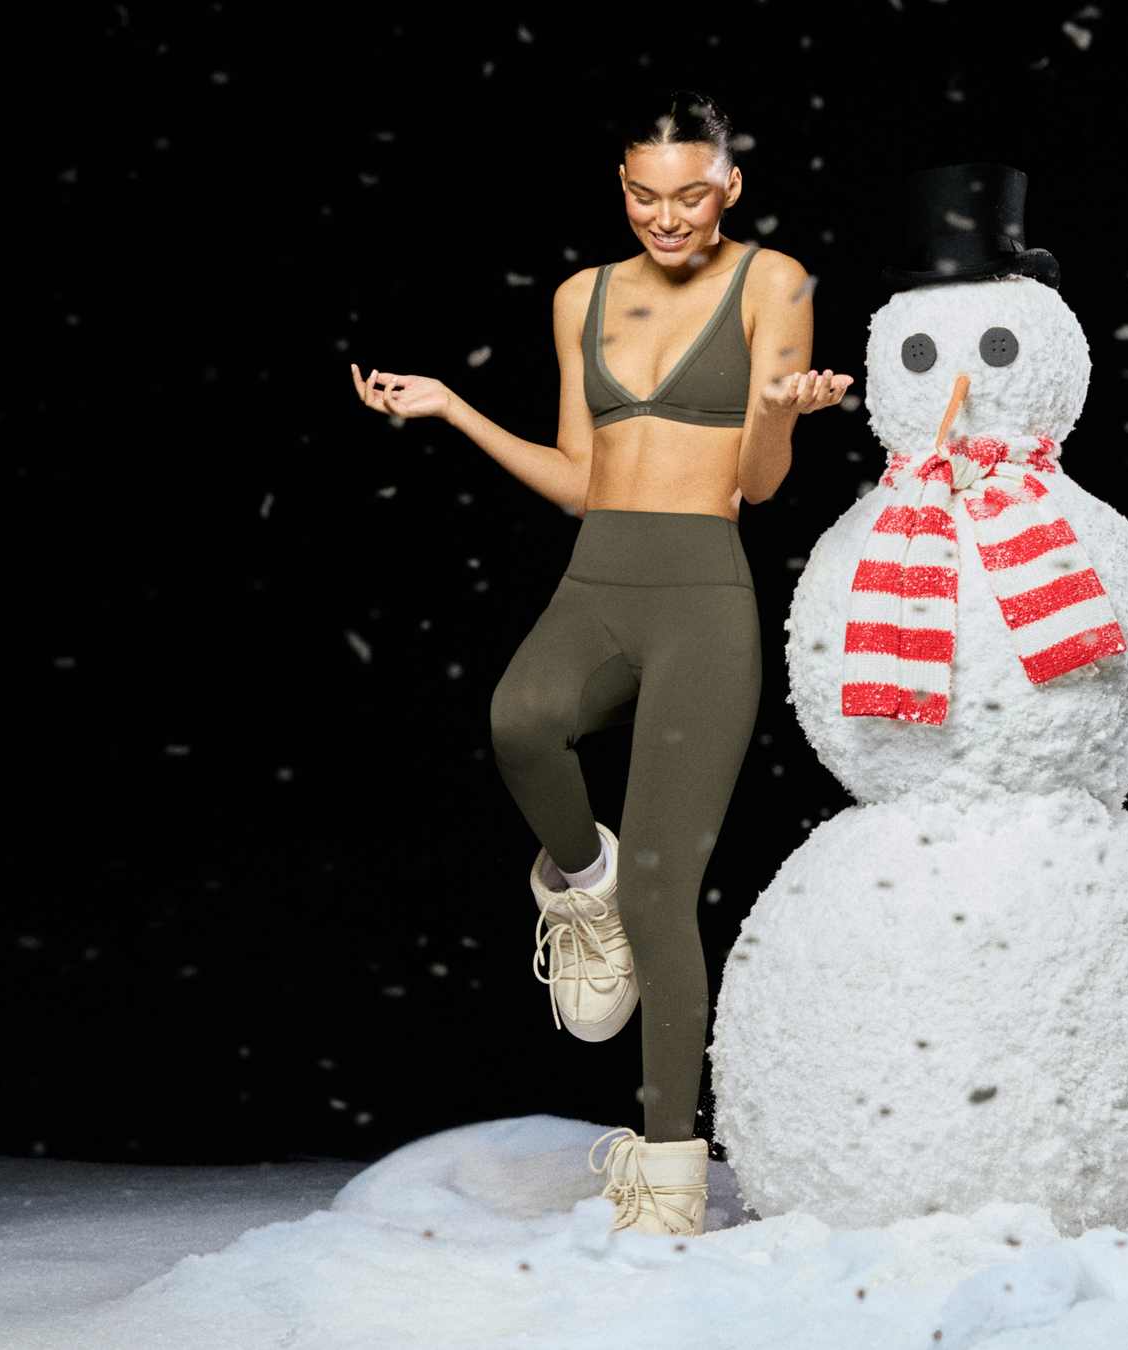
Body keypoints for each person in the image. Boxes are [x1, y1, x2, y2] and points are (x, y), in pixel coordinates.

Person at [348, 91, 853, 1236]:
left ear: (729, 187)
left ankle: (668, 1176)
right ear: (618, 185)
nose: (664, 218)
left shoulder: (776, 283)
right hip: (598, 577)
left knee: (673, 894)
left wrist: (777, 413)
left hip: (702, 596)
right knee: (522, 720)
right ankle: (584, 883)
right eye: (642, 194)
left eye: (688, 195)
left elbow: (759, 485)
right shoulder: (582, 296)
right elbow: (583, 476)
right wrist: (455, 410)